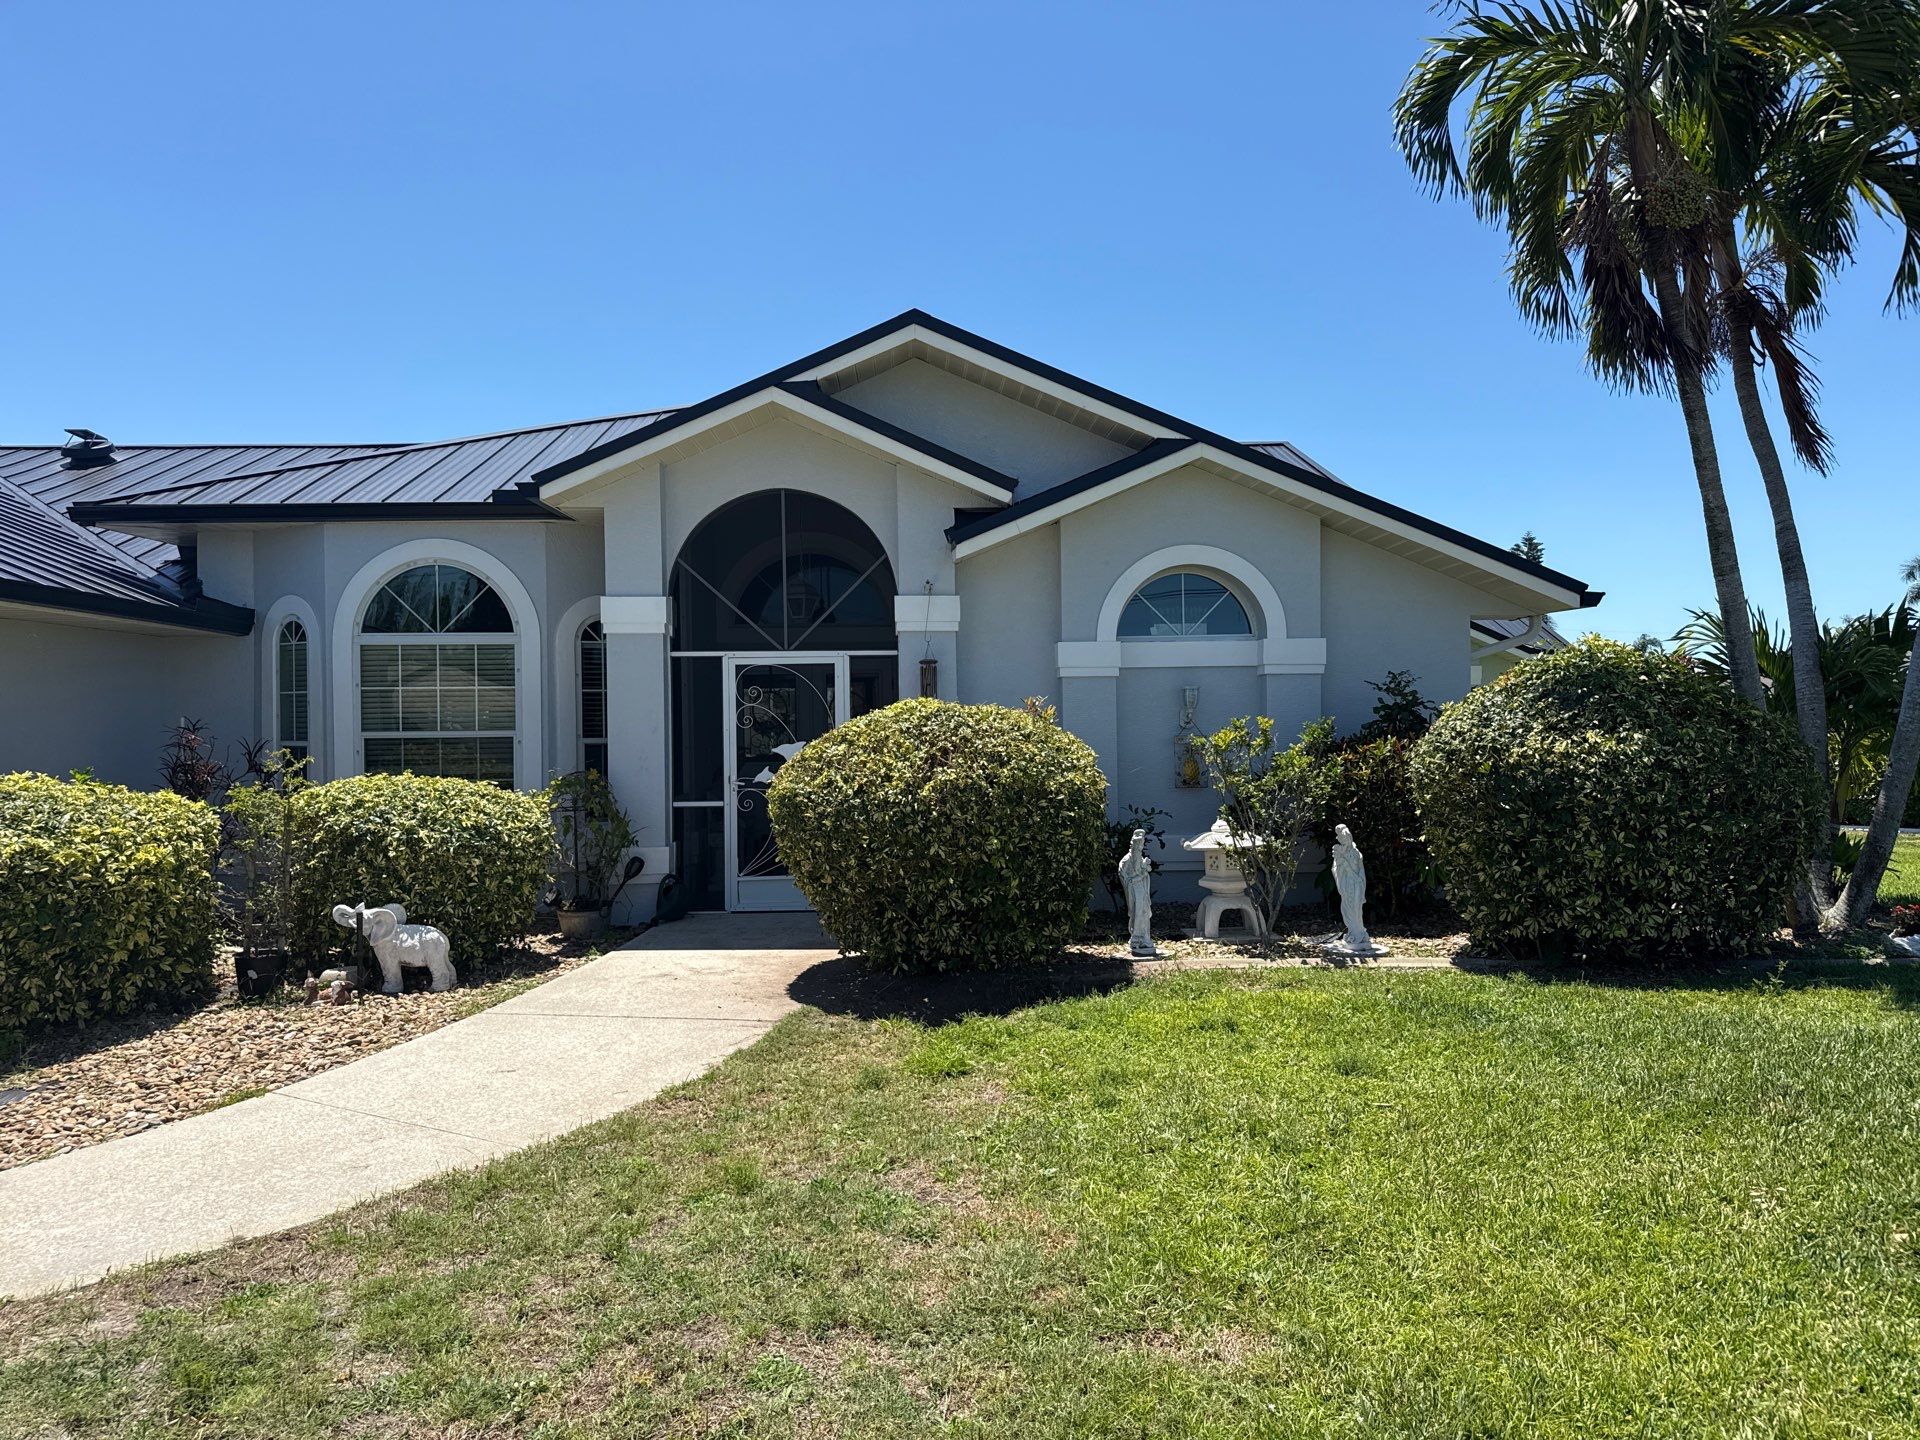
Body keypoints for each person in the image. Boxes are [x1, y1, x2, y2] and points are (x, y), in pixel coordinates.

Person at [1118, 827, 1158, 957]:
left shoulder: (1139, 858)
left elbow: (1143, 871)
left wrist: (1146, 868)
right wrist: (1140, 875)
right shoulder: (1126, 860)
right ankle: (1136, 938)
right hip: (1134, 891)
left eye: (1141, 845)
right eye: (1138, 845)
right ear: (1133, 845)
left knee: (1145, 913)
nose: (1139, 848)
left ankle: (1145, 937)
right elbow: (1125, 878)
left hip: (1142, 890)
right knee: (1137, 912)